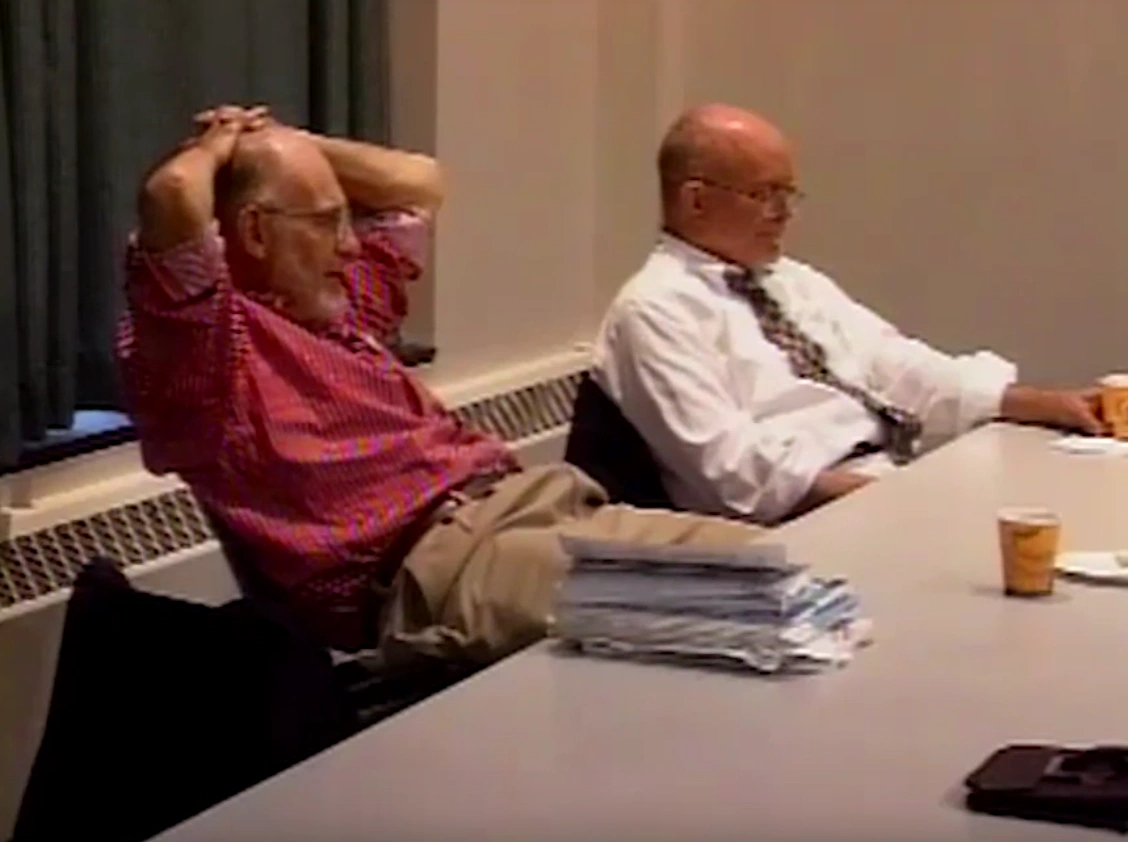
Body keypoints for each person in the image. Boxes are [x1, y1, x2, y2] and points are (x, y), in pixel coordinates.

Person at [117, 105, 762, 667]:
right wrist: (219, 145)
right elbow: (173, 194)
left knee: (780, 564)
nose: (350, 247)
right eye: (327, 221)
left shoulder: (337, 308)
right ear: (256, 231)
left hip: (532, 509)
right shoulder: (208, 358)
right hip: (441, 570)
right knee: (741, 609)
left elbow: (418, 184)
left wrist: (287, 141)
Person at [592, 103, 1107, 525]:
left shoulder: (788, 280)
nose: (784, 214)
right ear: (696, 201)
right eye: (765, 195)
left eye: (788, 194)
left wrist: (1046, 405)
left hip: (886, 480)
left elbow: (895, 366)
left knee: (1068, 501)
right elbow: (734, 474)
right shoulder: (655, 311)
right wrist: (902, 504)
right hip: (802, 522)